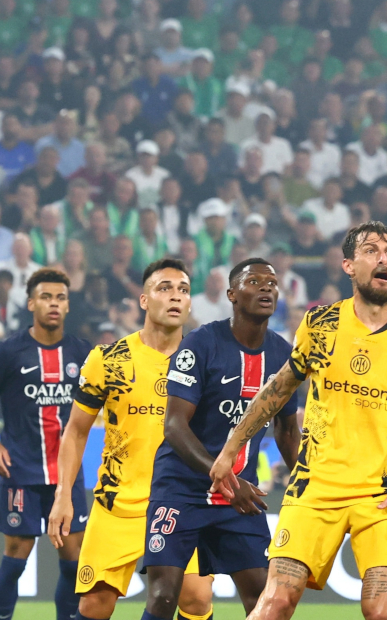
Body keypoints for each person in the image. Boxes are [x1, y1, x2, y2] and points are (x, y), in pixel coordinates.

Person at [207, 221, 387, 620]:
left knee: (381, 610)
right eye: (371, 250)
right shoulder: (321, 324)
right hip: (316, 487)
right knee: (274, 604)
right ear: (348, 265)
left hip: (385, 494)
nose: (383, 258)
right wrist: (230, 449)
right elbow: (277, 391)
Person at [47, 259, 214, 620]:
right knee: (94, 605)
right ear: (144, 300)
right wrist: (63, 495)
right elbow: (75, 430)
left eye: (183, 290)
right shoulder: (108, 359)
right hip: (118, 503)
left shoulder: (205, 363)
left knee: (197, 599)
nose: (175, 296)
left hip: (181, 502)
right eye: (164, 288)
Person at [141, 259, 301, 620]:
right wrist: (226, 476)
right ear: (231, 294)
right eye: (254, 281)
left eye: (272, 283)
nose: (267, 287)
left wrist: (311, 486)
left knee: (265, 601)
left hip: (238, 500)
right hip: (180, 490)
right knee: (164, 597)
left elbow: (288, 431)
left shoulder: (283, 355)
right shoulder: (200, 344)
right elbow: (174, 426)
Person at [0, 269, 93, 620]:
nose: (53, 304)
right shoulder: (8, 350)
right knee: (14, 562)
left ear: (67, 306)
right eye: (45, 297)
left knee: (73, 563)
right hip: (21, 471)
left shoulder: (83, 353)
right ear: (31, 303)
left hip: (67, 476)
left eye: (60, 298)